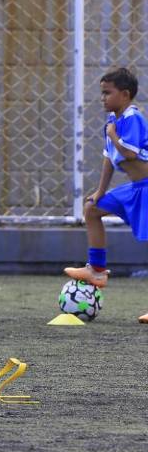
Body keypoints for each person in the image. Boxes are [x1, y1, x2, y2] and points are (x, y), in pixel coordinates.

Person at [64, 68, 148, 320]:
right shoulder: (112, 122)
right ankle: (97, 270)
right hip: (136, 189)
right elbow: (109, 160)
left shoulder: (132, 118)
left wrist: (113, 135)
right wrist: (100, 192)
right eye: (102, 93)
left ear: (125, 94)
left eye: (107, 93)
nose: (102, 98)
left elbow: (130, 154)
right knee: (92, 208)